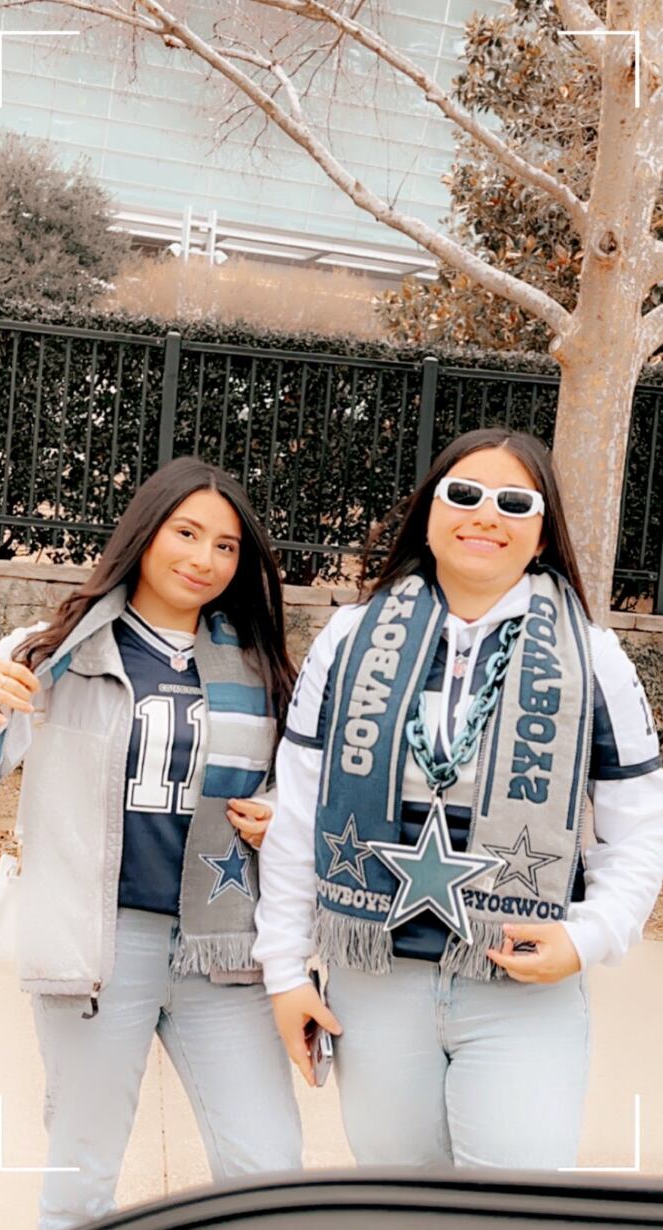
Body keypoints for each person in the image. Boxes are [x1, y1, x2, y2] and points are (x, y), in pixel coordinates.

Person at [253, 427, 663, 1171]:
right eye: (464, 494)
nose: (486, 515)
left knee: (514, 1210)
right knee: (402, 1212)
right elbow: (297, 818)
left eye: (515, 502)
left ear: (542, 533)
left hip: (520, 989)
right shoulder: (346, 640)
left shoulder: (596, 659)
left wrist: (590, 934)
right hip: (375, 985)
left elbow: (641, 832)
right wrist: (285, 972)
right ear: (430, 512)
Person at [0, 458, 302, 1229]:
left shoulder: (262, 664)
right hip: (98, 948)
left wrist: (282, 811)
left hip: (223, 951)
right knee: (80, 1182)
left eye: (226, 546)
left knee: (268, 1175)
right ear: (145, 535)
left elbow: (306, 784)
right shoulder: (60, 646)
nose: (204, 558)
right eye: (187, 533)